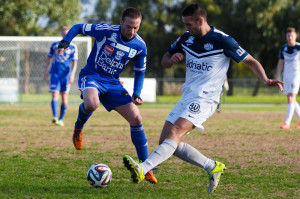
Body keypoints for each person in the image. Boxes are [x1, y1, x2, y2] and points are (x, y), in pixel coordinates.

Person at [123, 3, 283, 194]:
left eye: (189, 24)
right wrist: (170, 61)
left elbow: (250, 60)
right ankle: (212, 166)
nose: (186, 29)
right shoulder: (186, 38)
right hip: (187, 96)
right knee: (166, 141)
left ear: (200, 21)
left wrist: (265, 80)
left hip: (206, 99)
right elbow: (165, 58)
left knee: (174, 132)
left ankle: (142, 168)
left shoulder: (223, 40)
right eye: (184, 25)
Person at [57, 7, 157, 184]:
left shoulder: (140, 46)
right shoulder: (106, 31)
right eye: (128, 27)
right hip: (92, 76)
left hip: (113, 82)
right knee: (92, 104)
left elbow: (140, 71)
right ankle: (78, 129)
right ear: (121, 22)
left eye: (136, 27)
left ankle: (145, 165)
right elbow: (78, 27)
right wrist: (66, 42)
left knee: (136, 118)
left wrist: (137, 94)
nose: (131, 31)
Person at [43, 27, 78, 127]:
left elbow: (74, 62)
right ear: (61, 34)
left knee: (64, 97)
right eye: (64, 33)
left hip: (66, 75)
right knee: (54, 95)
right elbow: (48, 58)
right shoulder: (54, 45)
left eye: (67, 34)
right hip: (55, 73)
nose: (65, 35)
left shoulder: (73, 47)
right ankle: (55, 117)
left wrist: (72, 74)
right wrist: (45, 71)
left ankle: (61, 119)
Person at [276, 27, 300, 129]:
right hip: (286, 75)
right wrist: (278, 75)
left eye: (292, 35)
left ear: (296, 36)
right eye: (288, 35)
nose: (290, 37)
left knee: (291, 96)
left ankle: (287, 123)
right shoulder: (283, 48)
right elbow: (280, 62)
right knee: (291, 99)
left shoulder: (299, 47)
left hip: (296, 74)